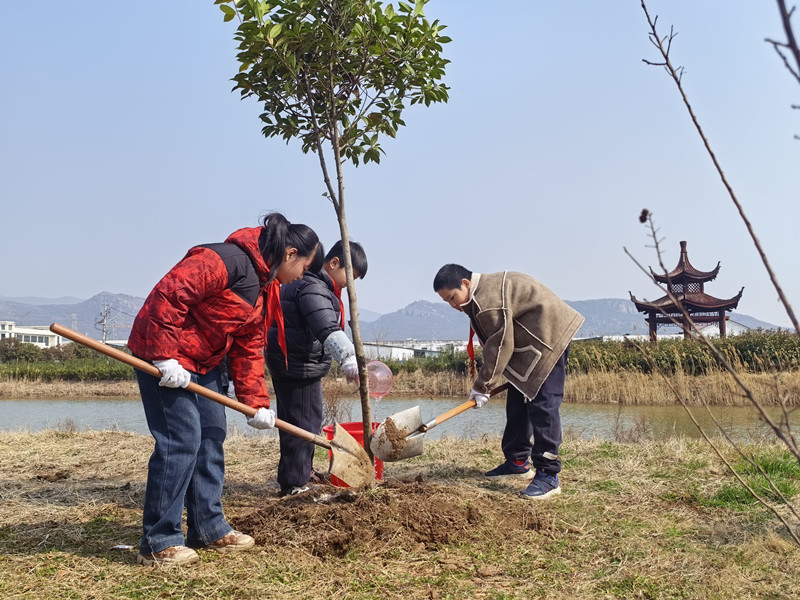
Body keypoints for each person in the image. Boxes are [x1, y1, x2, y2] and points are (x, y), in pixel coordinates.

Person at [127, 212, 322, 566]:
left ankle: (208, 527)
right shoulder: (224, 260)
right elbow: (168, 297)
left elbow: (249, 346)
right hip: (166, 359)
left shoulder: (264, 287)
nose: (301, 277)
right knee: (181, 440)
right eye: (305, 269)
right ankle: (159, 541)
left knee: (212, 436)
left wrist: (256, 403)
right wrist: (163, 356)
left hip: (206, 362)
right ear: (291, 254)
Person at [433, 264, 584, 500]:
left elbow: (501, 344)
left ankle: (548, 474)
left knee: (543, 405)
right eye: (447, 302)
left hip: (550, 338)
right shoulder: (479, 296)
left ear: (465, 284)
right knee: (518, 400)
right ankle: (517, 460)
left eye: (453, 298)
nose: (453, 305)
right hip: (530, 344)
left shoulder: (487, 301)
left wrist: (483, 386)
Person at [266, 240, 368, 496]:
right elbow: (325, 325)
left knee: (300, 419)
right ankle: (295, 482)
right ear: (334, 263)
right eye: (350, 276)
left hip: (291, 360)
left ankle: (301, 472)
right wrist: (347, 357)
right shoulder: (314, 286)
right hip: (298, 365)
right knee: (303, 422)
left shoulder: (310, 283)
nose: (350, 284)